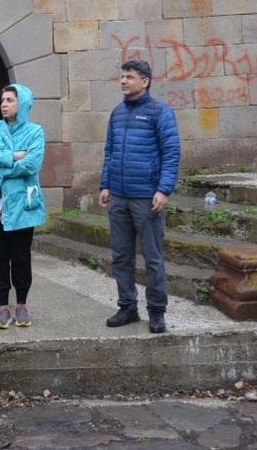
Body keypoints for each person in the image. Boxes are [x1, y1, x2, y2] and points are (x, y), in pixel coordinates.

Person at [99, 59, 181, 335]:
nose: (123, 81)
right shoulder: (117, 113)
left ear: (145, 81)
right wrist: (105, 185)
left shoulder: (160, 112)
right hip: (119, 197)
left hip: (147, 197)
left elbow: (171, 152)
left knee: (152, 258)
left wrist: (163, 189)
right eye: (122, 76)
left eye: (129, 77)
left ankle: (156, 311)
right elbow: (110, 151)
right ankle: (128, 307)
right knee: (120, 256)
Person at [0, 84, 45, 330]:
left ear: (22, 103)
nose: (4, 104)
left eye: (10, 100)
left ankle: (22, 303)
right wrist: (13, 156)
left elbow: (31, 165)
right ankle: (3, 305)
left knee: (21, 256)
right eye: (2, 100)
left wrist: (0, 162)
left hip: (22, 204)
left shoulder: (35, 131)